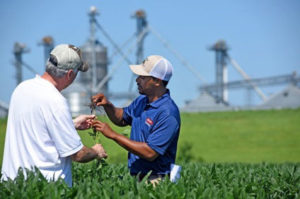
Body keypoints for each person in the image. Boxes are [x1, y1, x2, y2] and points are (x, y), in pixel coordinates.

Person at [1, 44, 107, 187]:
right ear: (70, 74)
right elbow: (78, 154)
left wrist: (72, 124)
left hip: (13, 186)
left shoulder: (22, 89)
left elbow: (36, 128)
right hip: (43, 188)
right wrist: (96, 151)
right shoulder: (56, 101)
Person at [92, 55, 181, 184]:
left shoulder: (168, 113)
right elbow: (122, 118)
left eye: (142, 77)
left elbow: (150, 153)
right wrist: (107, 105)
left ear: (157, 81)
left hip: (156, 180)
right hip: (138, 177)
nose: (137, 80)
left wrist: (113, 135)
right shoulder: (142, 100)